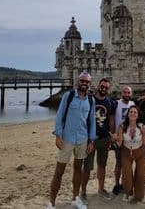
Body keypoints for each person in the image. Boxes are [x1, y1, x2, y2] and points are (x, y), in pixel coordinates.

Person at [47, 71, 96, 209]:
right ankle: (51, 203)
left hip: (82, 139)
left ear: (89, 84)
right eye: (82, 81)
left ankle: (75, 198)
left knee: (78, 169)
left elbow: (91, 121)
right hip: (67, 138)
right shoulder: (68, 96)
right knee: (59, 171)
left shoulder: (91, 100)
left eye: (87, 82)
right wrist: (57, 135)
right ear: (77, 81)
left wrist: (91, 140)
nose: (84, 83)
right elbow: (59, 115)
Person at [81, 78, 116, 204]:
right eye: (102, 86)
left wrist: (111, 136)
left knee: (102, 165)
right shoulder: (90, 100)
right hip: (90, 139)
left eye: (106, 87)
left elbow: (111, 120)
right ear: (98, 86)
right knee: (87, 167)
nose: (104, 89)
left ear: (109, 89)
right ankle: (83, 192)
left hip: (104, 138)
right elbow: (83, 117)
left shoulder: (110, 102)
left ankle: (101, 189)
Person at [114, 105, 145, 202]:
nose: (133, 114)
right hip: (126, 152)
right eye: (131, 112)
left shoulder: (143, 127)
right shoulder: (122, 126)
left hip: (140, 152)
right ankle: (128, 193)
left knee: (141, 175)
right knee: (127, 175)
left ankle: (139, 195)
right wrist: (115, 139)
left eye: (135, 112)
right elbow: (119, 143)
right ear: (128, 114)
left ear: (138, 115)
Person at [112, 85, 135, 195]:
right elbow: (111, 118)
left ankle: (125, 183)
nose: (126, 94)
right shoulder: (116, 104)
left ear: (131, 94)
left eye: (128, 92)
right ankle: (117, 184)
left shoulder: (133, 105)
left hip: (130, 140)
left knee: (128, 163)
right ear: (122, 93)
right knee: (118, 163)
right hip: (119, 139)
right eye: (125, 92)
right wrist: (113, 135)